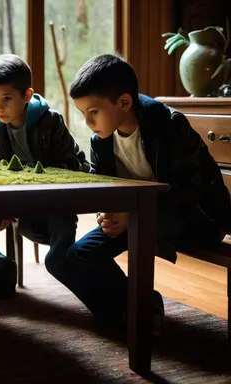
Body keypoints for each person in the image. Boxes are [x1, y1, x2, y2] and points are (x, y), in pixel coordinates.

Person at [64, 53, 231, 333]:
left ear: (125, 103)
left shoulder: (169, 125)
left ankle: (134, 312)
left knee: (138, 229)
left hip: (195, 218)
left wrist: (132, 216)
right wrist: (105, 211)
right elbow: (102, 184)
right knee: (78, 254)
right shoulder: (101, 140)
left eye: (93, 112)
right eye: (83, 114)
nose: (88, 122)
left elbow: (187, 193)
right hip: (140, 215)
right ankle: (139, 304)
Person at [0, 53, 88, 300]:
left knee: (61, 256)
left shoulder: (50, 121)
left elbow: (69, 165)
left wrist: (15, 202)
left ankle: (97, 287)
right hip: (10, 205)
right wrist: (1, 204)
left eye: (6, 99)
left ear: (27, 96)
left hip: (53, 205)